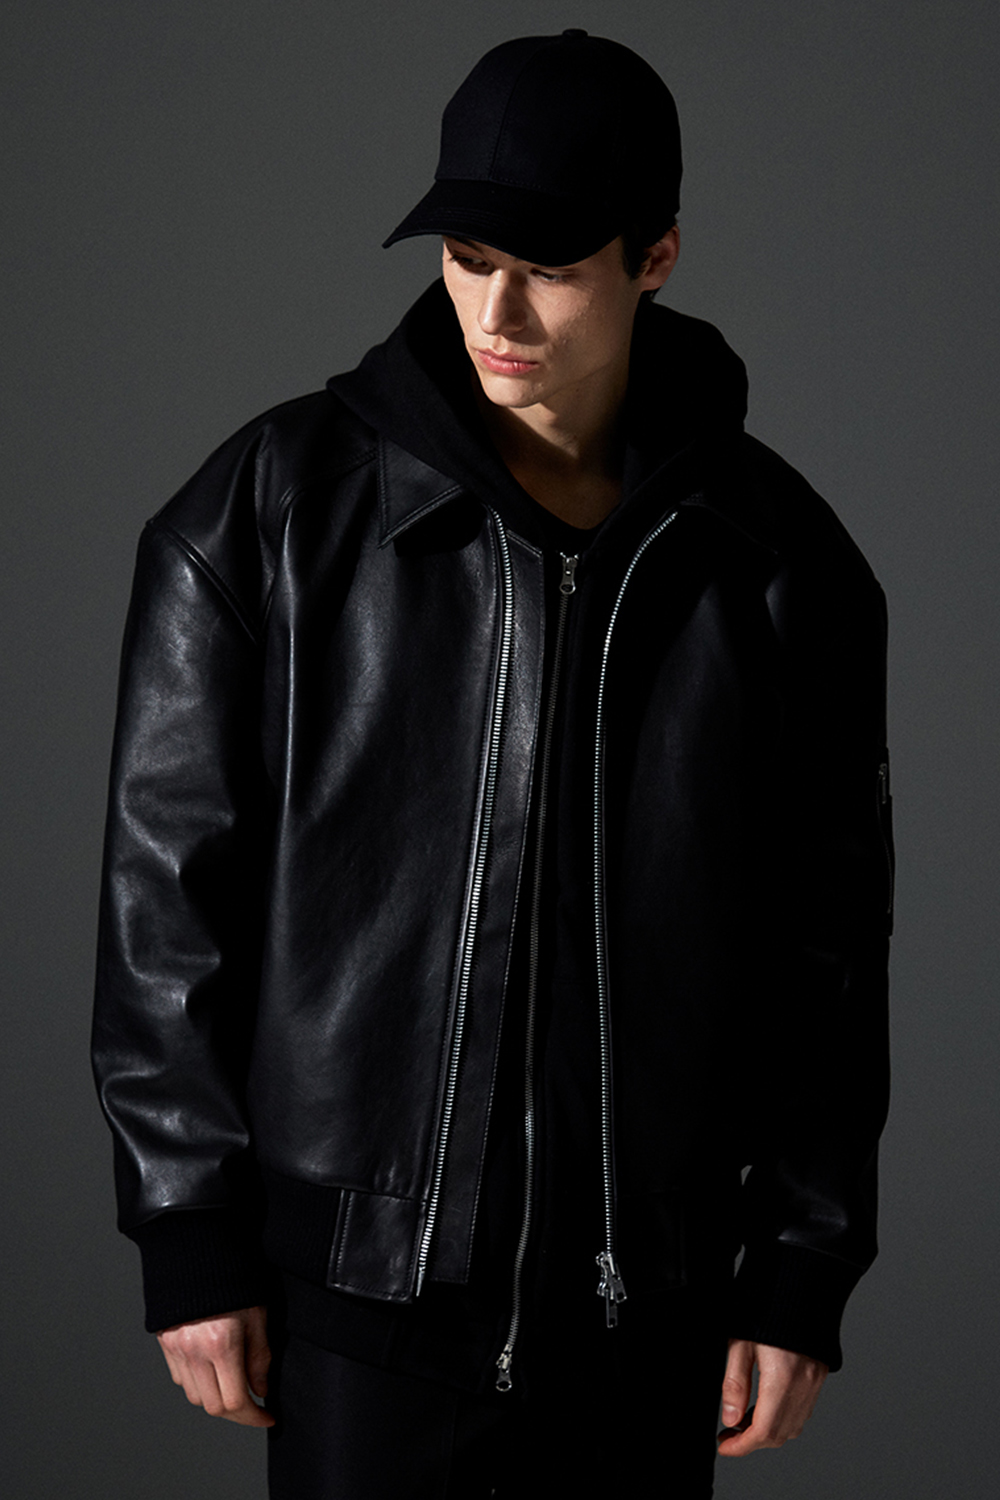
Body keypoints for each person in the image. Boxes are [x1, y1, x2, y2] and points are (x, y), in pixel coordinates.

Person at [92, 28, 894, 1499]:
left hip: (646, 1319)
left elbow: (827, 954)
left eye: (550, 269)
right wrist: (187, 1226)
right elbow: (164, 904)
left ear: (656, 258)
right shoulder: (266, 516)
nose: (496, 312)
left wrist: (802, 1265)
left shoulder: (780, 564)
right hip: (358, 1312)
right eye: (468, 258)